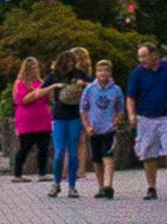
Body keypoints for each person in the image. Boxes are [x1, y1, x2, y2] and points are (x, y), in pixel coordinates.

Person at [125, 40, 167, 200]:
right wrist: (131, 114)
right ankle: (151, 187)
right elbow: (130, 97)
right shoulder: (137, 74)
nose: (141, 60)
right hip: (146, 118)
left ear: (154, 55)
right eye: (139, 57)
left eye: (144, 56)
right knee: (147, 153)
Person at [78, 58, 127, 198]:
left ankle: (108, 186)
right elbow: (83, 109)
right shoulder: (89, 89)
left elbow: (120, 109)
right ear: (96, 72)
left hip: (108, 130)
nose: (103, 73)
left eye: (106, 70)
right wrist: (87, 126)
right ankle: (100, 187)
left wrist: (115, 122)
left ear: (110, 73)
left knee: (108, 157)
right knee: (96, 159)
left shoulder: (116, 90)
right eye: (100, 70)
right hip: (94, 130)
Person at [47, 50, 92, 194]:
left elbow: (93, 85)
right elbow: (41, 90)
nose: (70, 65)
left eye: (72, 62)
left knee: (73, 152)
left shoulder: (79, 73)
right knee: (59, 151)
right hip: (59, 116)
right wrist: (54, 87)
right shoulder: (54, 75)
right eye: (67, 62)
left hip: (74, 115)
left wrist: (83, 83)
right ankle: (56, 182)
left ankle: (72, 185)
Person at [7, 59, 53, 181]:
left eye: (36, 68)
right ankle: (18, 174)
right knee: (25, 146)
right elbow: (21, 100)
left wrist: (48, 91)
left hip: (42, 118)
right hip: (27, 119)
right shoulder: (20, 83)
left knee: (43, 147)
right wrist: (36, 94)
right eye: (32, 68)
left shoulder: (41, 82)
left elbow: (48, 100)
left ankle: (42, 173)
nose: (35, 70)